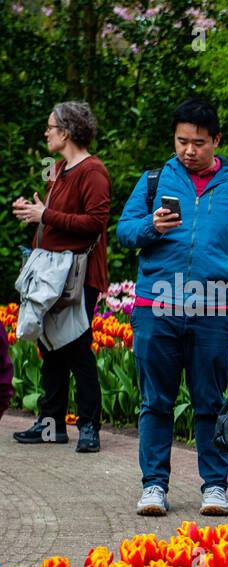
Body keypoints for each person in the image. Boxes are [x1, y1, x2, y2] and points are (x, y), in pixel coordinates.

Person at [117, 97, 228, 517]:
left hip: (214, 308)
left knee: (209, 400)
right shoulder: (152, 181)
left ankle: (214, 486)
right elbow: (124, 232)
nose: (188, 150)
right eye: (182, 141)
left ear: (216, 140)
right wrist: (151, 226)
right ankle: (153, 486)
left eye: (198, 143)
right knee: (156, 401)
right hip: (156, 303)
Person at [11, 101, 109, 452]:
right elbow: (55, 217)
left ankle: (89, 427)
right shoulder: (59, 169)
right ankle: (51, 425)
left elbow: (95, 223)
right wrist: (36, 214)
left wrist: (47, 214)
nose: (46, 133)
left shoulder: (92, 171)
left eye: (50, 127)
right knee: (50, 348)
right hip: (52, 274)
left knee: (77, 348)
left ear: (66, 132)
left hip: (78, 277)